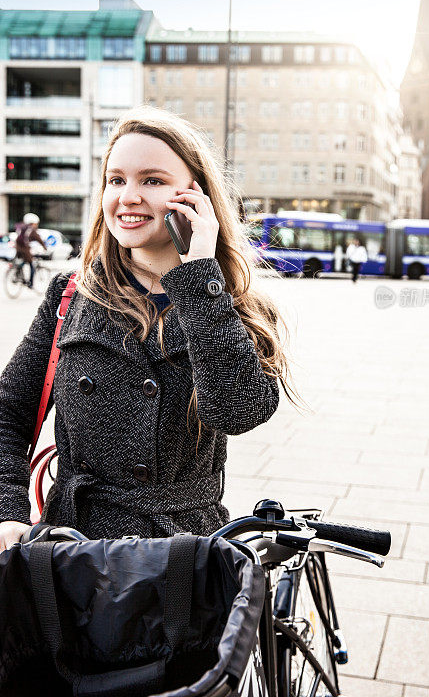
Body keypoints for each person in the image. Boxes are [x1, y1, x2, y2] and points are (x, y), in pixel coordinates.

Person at [0, 106, 294, 552]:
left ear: (196, 197)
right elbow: (8, 414)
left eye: (151, 180)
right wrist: (8, 511)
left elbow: (239, 411)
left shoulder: (230, 303)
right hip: (74, 552)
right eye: (116, 180)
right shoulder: (70, 296)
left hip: (181, 560)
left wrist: (198, 275)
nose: (128, 196)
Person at [14, 212, 48, 288]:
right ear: (32, 223)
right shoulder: (31, 229)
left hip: (18, 248)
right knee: (31, 265)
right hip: (24, 249)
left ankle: (17, 272)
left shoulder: (21, 227)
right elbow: (38, 239)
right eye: (36, 223)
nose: (36, 225)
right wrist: (44, 247)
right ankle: (30, 283)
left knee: (23, 262)